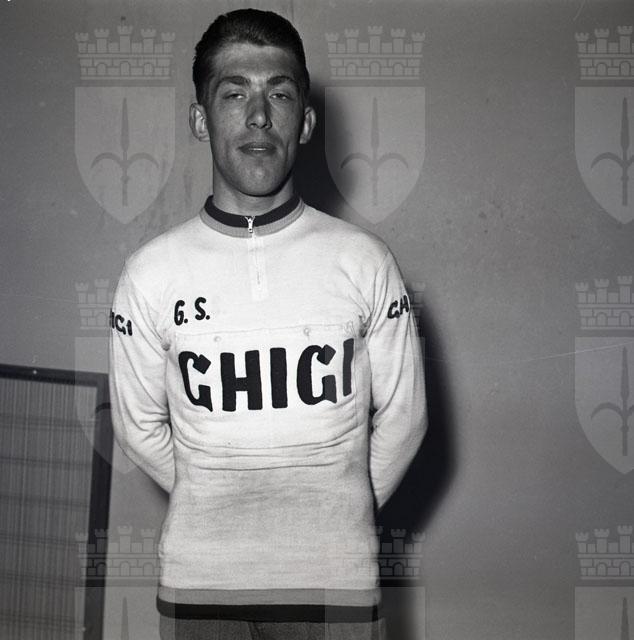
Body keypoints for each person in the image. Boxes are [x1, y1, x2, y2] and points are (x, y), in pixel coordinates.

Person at [109, 8, 427, 640]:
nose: (259, 116)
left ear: (305, 121)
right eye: (234, 94)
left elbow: (405, 418)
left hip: (335, 586)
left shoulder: (364, 260)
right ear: (200, 120)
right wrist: (217, 502)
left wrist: (334, 511)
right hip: (199, 589)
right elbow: (138, 428)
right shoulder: (150, 272)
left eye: (279, 94)